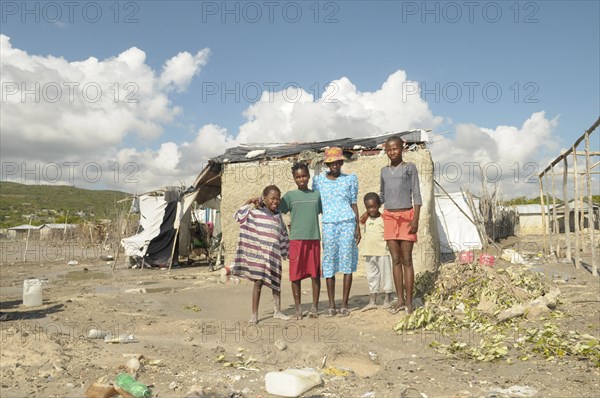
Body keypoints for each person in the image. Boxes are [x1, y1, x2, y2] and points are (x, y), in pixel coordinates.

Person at [230, 185, 291, 325]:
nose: (275, 201)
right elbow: (238, 215)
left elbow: (283, 234)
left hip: (274, 257)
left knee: (276, 284)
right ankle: (254, 315)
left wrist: (285, 251)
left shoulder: (278, 216)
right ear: (264, 198)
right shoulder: (254, 213)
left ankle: (277, 311)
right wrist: (250, 200)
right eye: (272, 198)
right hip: (260, 258)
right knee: (258, 284)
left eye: (278, 198)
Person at [312, 147, 360, 317]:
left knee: (347, 263)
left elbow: (354, 203)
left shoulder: (350, 180)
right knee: (329, 264)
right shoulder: (318, 181)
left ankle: (345, 304)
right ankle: (332, 304)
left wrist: (357, 226)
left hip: (347, 223)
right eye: (331, 162)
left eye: (338, 162)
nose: (335, 165)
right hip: (329, 225)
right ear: (327, 164)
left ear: (341, 162)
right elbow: (315, 205)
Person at [380, 136, 422, 315]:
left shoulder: (409, 168)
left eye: (395, 149)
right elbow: (382, 195)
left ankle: (410, 302)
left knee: (407, 260)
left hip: (406, 217)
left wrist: (416, 219)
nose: (392, 152)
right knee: (395, 260)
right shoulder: (383, 170)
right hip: (389, 217)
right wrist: (369, 209)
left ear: (402, 148)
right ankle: (400, 300)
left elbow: (417, 195)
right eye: (389, 150)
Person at [279, 162, 322, 319]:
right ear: (294, 178)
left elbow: (324, 211)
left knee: (315, 274)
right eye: (298, 177)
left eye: (304, 176)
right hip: (296, 240)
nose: (301, 179)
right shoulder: (290, 196)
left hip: (314, 239)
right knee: (295, 275)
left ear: (309, 176)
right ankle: (298, 308)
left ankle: (314, 307)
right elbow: (275, 208)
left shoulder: (316, 195)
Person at [360, 192, 394, 311]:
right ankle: (372, 301)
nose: (371, 209)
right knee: (371, 276)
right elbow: (361, 219)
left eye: (374, 206)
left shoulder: (383, 218)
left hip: (382, 253)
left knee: (386, 276)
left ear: (379, 205)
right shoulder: (366, 218)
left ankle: (387, 299)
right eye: (369, 207)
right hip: (369, 252)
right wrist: (366, 213)